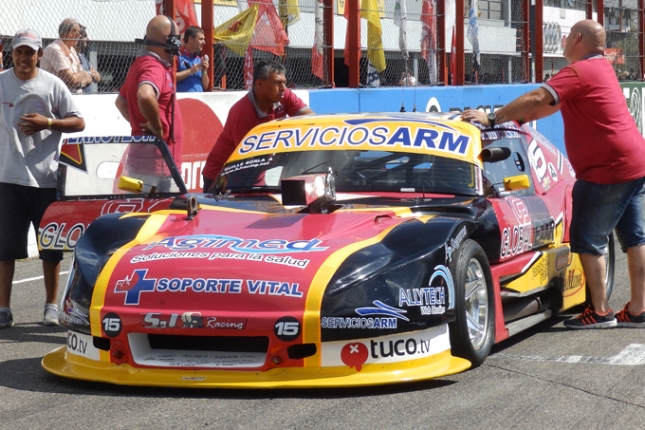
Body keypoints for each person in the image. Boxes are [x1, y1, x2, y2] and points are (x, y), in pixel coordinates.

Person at [461, 19, 645, 330]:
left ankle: (600, 311)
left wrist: (493, 117)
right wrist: (519, 117)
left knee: (587, 239)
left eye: (565, 36)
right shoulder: (600, 68)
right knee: (635, 239)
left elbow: (537, 98)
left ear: (576, 38)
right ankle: (639, 309)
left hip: (606, 168)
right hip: (634, 161)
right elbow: (544, 107)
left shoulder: (577, 71)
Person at [0, 29, 85, 328]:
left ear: (39, 55)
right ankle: (3, 308)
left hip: (46, 178)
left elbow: (78, 121)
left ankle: (51, 305)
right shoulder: (1, 83)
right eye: (18, 52)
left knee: (49, 248)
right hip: (8, 179)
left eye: (29, 52)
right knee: (5, 247)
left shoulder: (53, 85)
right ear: (12, 53)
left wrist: (48, 123)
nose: (23, 58)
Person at [202, 60, 314, 192]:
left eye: (284, 82)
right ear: (259, 84)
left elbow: (310, 118)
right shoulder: (242, 113)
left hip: (253, 175)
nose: (284, 88)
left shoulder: (284, 95)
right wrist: (287, 155)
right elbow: (248, 161)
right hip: (224, 176)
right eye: (277, 83)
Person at [115, 15, 184, 167]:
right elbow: (145, 95)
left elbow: (121, 103)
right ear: (169, 40)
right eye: (177, 38)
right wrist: (157, 128)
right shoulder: (154, 67)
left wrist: (139, 125)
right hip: (158, 164)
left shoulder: (140, 65)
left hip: (145, 161)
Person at [40, 18, 93, 94]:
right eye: (79, 32)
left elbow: (87, 78)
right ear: (71, 33)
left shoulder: (72, 49)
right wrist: (83, 74)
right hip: (57, 98)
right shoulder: (54, 49)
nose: (80, 35)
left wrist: (79, 81)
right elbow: (73, 80)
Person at [176, 26, 209, 92]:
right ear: (190, 39)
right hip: (182, 100)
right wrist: (190, 71)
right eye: (200, 39)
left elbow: (205, 86)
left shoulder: (199, 59)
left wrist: (204, 70)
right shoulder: (177, 57)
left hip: (198, 99)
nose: (204, 42)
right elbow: (170, 78)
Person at [77, 25, 101, 94]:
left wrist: (89, 74)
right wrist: (91, 73)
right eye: (85, 36)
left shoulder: (83, 56)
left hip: (89, 96)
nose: (87, 39)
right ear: (79, 37)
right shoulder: (72, 56)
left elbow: (98, 77)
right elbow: (78, 78)